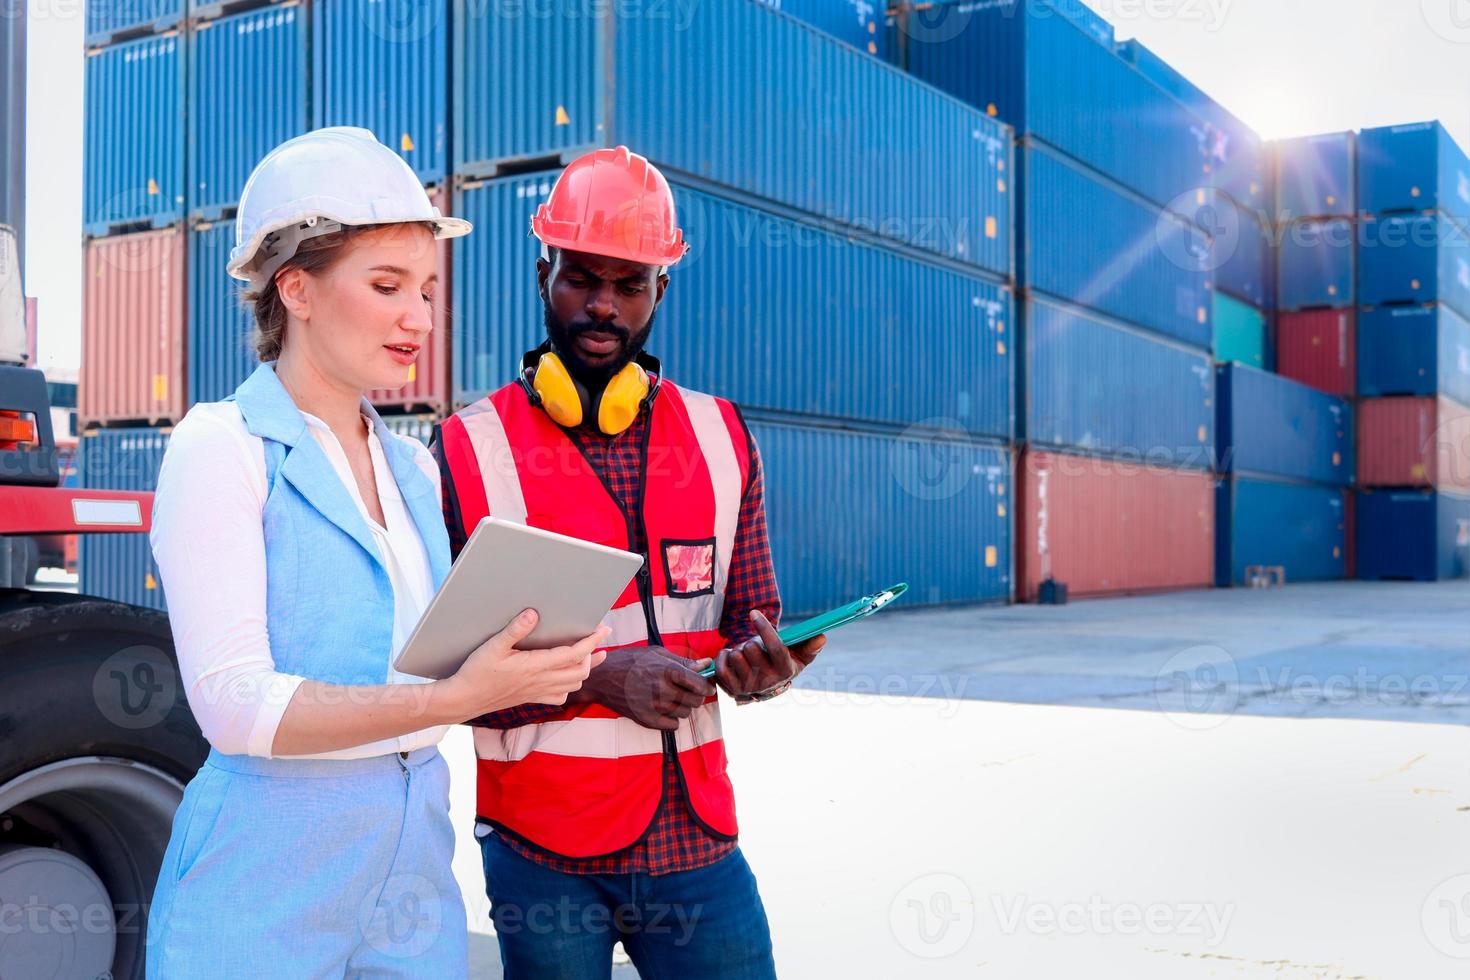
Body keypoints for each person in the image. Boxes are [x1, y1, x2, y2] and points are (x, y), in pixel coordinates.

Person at [145, 127, 607, 977]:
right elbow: (236, 707)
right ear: (297, 289)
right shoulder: (223, 447)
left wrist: (527, 658)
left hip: (412, 879)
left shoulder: (412, 467)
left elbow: (424, 671)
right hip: (264, 884)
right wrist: (457, 698)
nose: (419, 318)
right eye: (388, 285)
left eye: (428, 289)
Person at [433, 145, 827, 979]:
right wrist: (604, 677)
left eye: (631, 285)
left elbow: (748, 621)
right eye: (582, 277)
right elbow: (444, 678)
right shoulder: (471, 450)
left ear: (662, 290)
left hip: (699, 845)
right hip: (542, 854)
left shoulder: (723, 437)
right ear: (544, 273)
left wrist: (766, 668)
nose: (603, 306)